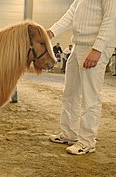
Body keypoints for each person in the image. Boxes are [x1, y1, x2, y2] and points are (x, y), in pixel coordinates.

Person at [47, 0, 116, 155]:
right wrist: (52, 31)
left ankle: (87, 142)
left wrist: (97, 49)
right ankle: (69, 134)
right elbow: (71, 13)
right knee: (70, 93)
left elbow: (111, 19)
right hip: (79, 45)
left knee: (90, 97)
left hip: (94, 47)